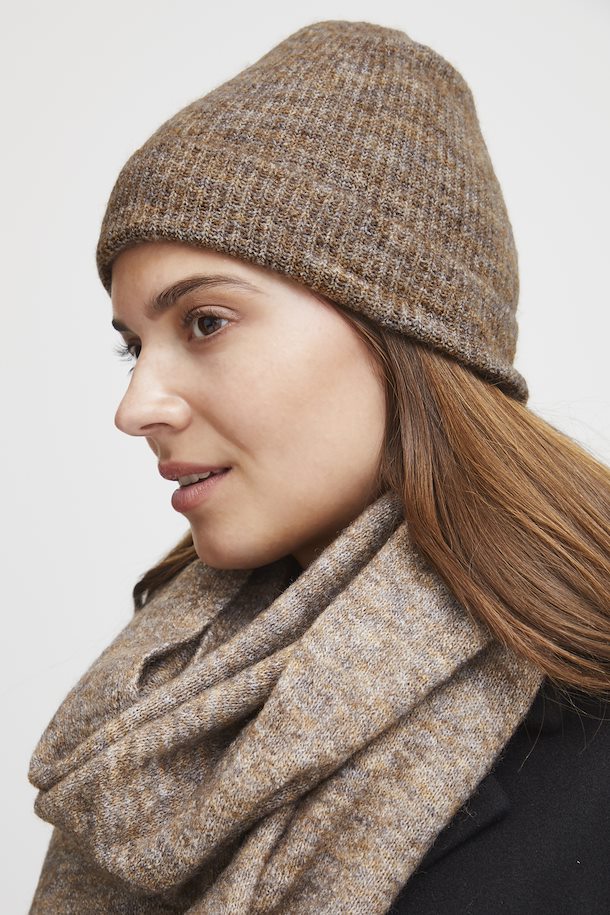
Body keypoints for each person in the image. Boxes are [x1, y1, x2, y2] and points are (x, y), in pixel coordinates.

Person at [27, 19, 610, 914]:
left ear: (402, 334)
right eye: (133, 347)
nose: (136, 406)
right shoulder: (155, 710)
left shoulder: (587, 733)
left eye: (205, 322)